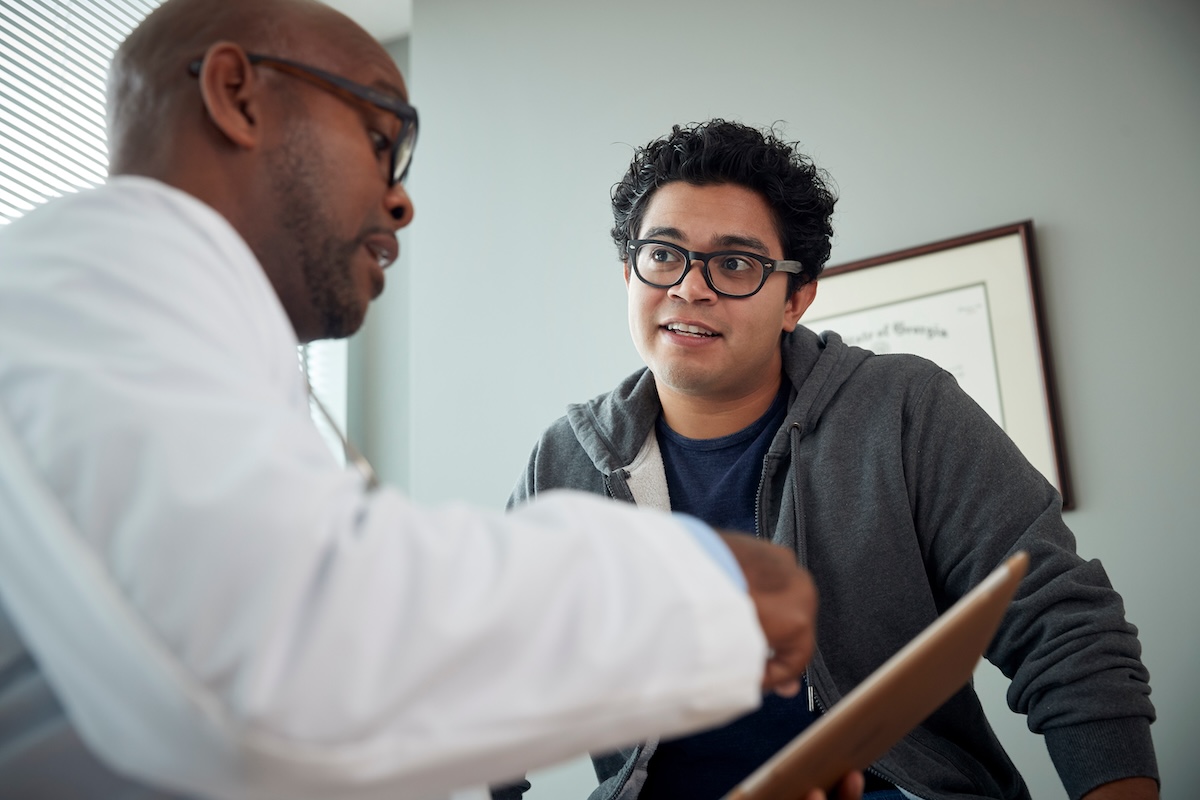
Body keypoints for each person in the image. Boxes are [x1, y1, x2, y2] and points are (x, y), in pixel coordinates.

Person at [0, 3, 863, 799]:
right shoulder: (98, 276)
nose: (403, 199)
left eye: (738, 264)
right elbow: (277, 664)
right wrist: (700, 585)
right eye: (384, 140)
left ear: (796, 296)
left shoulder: (190, 334)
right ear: (237, 95)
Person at [496, 119, 1159, 800]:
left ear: (797, 299)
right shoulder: (564, 463)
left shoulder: (902, 409)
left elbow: (1061, 624)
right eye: (663, 254)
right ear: (629, 270)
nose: (689, 288)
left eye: (734, 264)